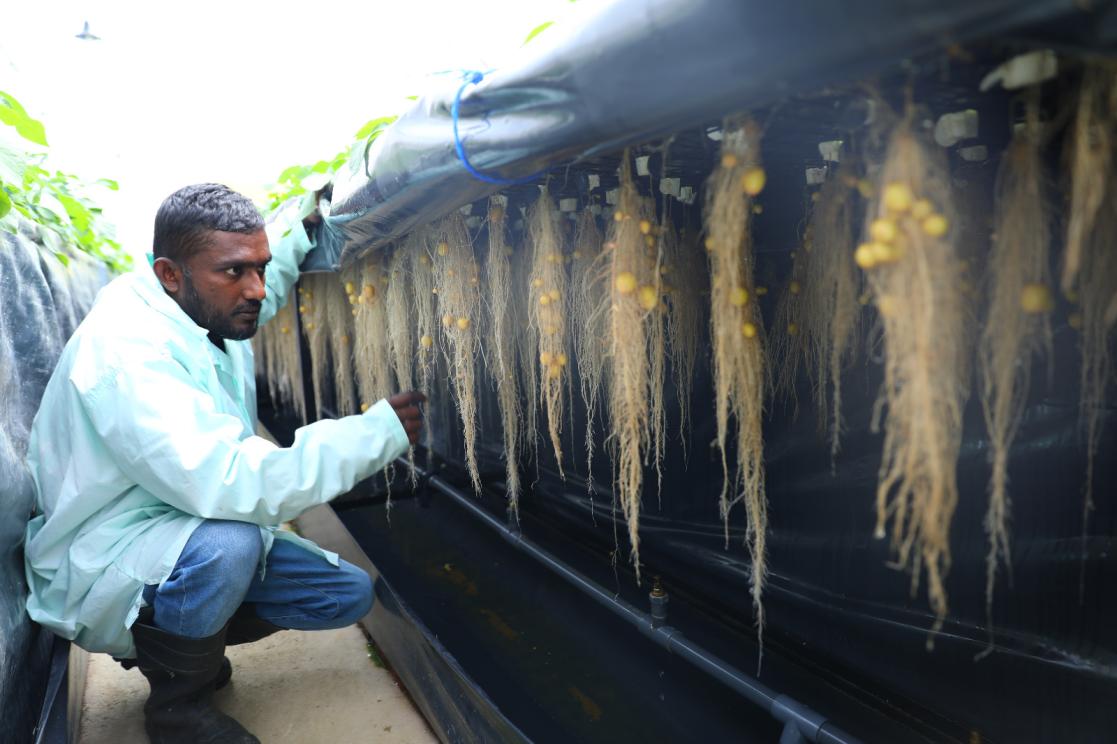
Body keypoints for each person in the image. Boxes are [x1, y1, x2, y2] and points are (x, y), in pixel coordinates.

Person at [23, 183, 424, 744]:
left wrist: (297, 235)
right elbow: (233, 481)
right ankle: (177, 705)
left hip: (170, 519)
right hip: (107, 547)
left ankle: (191, 645)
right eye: (235, 272)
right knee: (231, 543)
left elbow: (260, 282)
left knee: (342, 595)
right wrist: (371, 435)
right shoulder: (128, 355)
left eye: (260, 267)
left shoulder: (203, 308)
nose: (255, 289)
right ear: (170, 273)